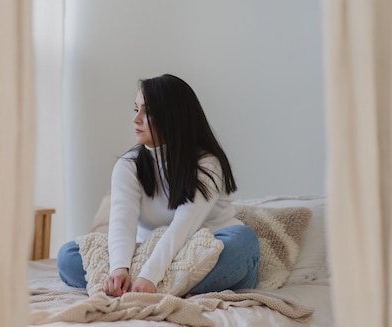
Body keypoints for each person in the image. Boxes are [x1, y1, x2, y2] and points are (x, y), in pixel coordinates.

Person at [57, 74, 259, 297]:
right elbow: (122, 223)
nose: (136, 119)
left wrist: (149, 277)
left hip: (205, 250)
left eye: (148, 112)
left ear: (174, 117)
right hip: (151, 255)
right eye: (136, 109)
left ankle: (147, 290)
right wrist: (118, 269)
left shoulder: (207, 164)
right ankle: (163, 289)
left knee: (244, 241)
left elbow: (184, 226)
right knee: (68, 255)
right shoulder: (128, 165)